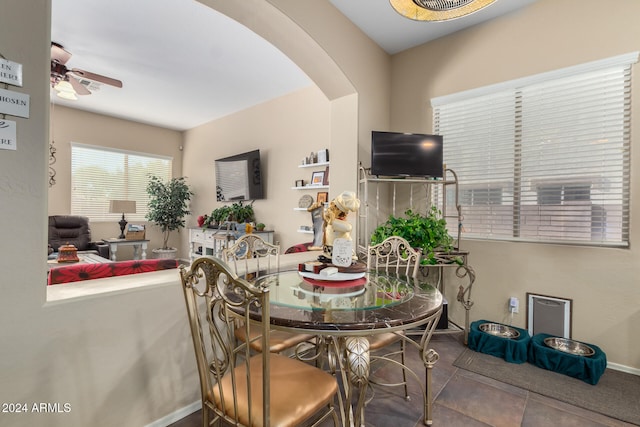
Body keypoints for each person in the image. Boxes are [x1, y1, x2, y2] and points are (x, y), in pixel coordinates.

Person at [322, 191, 360, 258]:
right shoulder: (333, 222)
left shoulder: (335, 222)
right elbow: (348, 228)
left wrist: (331, 220)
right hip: (334, 250)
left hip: (341, 250)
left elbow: (347, 228)